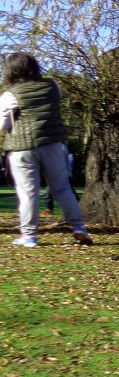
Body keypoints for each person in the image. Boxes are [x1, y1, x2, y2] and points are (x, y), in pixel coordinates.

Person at [1, 53, 93, 247]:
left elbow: (3, 124)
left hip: (21, 148)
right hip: (53, 144)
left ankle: (29, 235)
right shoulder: (53, 86)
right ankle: (78, 227)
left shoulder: (10, 94)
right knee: (62, 188)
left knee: (28, 192)